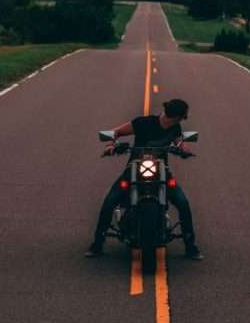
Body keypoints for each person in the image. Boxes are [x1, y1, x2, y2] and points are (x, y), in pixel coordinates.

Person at [86, 98, 203, 260]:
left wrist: (183, 148)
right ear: (178, 116)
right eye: (183, 116)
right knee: (110, 201)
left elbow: (179, 142)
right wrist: (111, 145)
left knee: (182, 202)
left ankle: (191, 247)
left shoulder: (175, 128)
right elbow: (116, 132)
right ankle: (97, 244)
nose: (183, 119)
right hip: (134, 168)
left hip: (162, 171)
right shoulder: (142, 123)